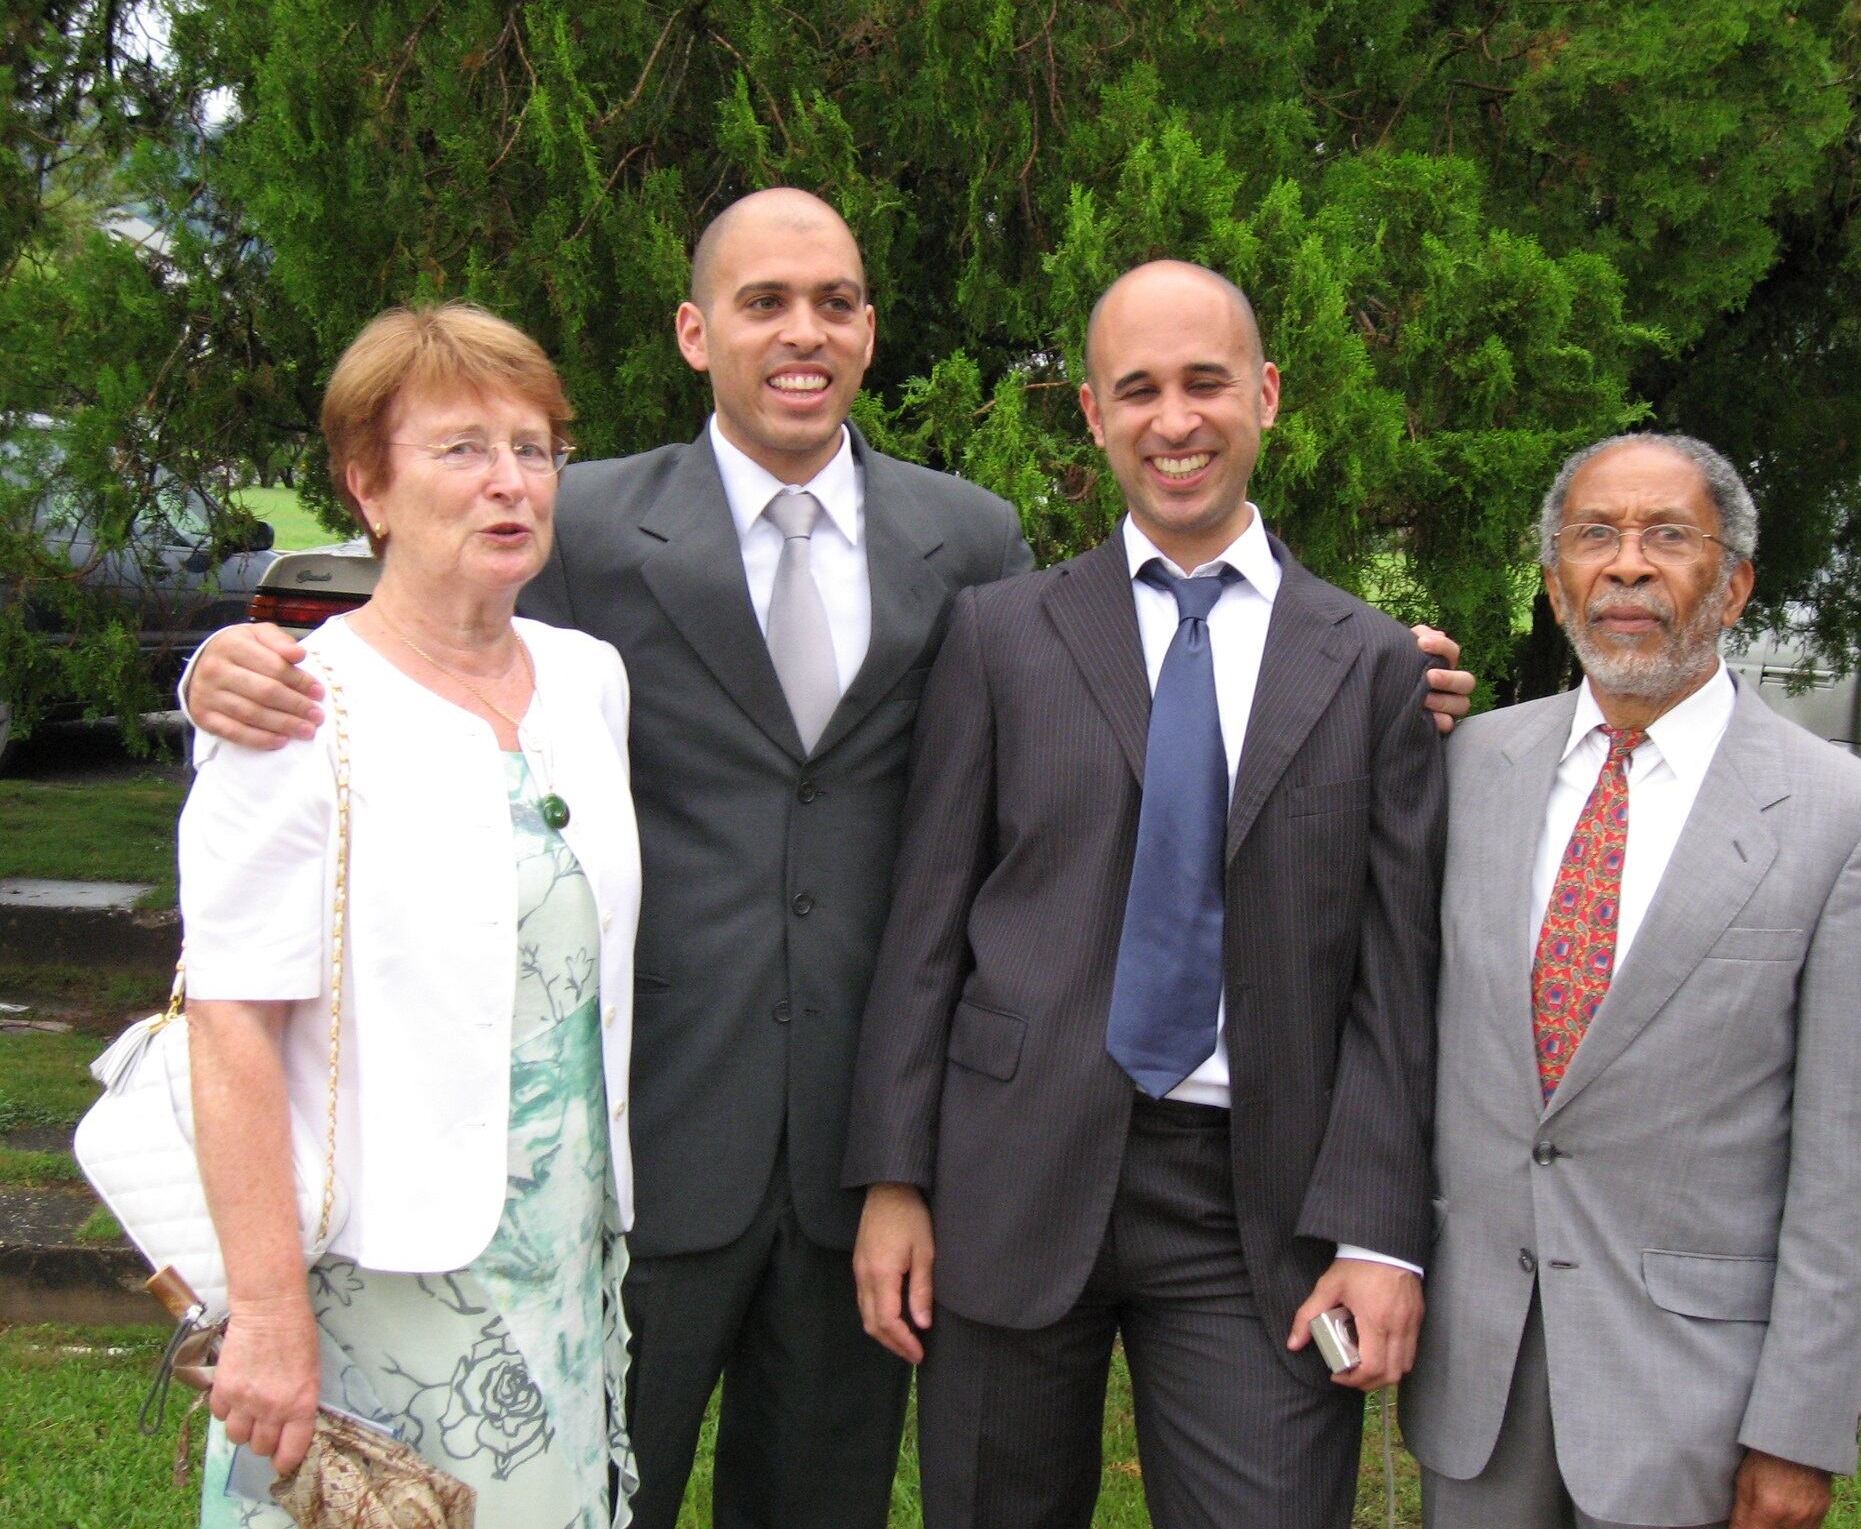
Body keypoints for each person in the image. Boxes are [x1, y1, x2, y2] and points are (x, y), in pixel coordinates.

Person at [182, 194, 1477, 1529]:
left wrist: (1371, 683)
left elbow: (1074, 755)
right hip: (656, 1142)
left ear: (869, 329)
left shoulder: (969, 543)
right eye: (763, 302)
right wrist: (235, 666)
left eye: (836, 302)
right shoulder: (591, 528)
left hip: (873, 1154)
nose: (802, 333)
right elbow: (440, 629)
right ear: (696, 331)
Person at [842, 260, 1446, 1529]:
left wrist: (1378, 1234)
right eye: (1138, 390)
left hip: (1256, 1207)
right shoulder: (1000, 636)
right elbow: (925, 932)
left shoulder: (1368, 665)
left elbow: (1396, 983)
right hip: (1014, 1173)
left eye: (1205, 383)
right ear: (1092, 417)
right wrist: (893, 1181)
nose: (1174, 421)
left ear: (1266, 396)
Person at [1401, 434, 1861, 1529]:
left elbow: (1846, 1170)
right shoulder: (1466, 770)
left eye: (1666, 538)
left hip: (1688, 1397)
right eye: (1593, 537)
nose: (1625, 566)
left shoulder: (1844, 823)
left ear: (1731, 586)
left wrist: (1797, 1429)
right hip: (1474, 1377)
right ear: (1553, 587)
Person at [181, 302, 640, 1528]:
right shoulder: (295, 711)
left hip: (560, 1260)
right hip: (372, 1283)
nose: (509, 482)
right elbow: (227, 1027)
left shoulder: (588, 680)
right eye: (461, 449)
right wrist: (269, 1320)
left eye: (533, 448)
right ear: (366, 487)